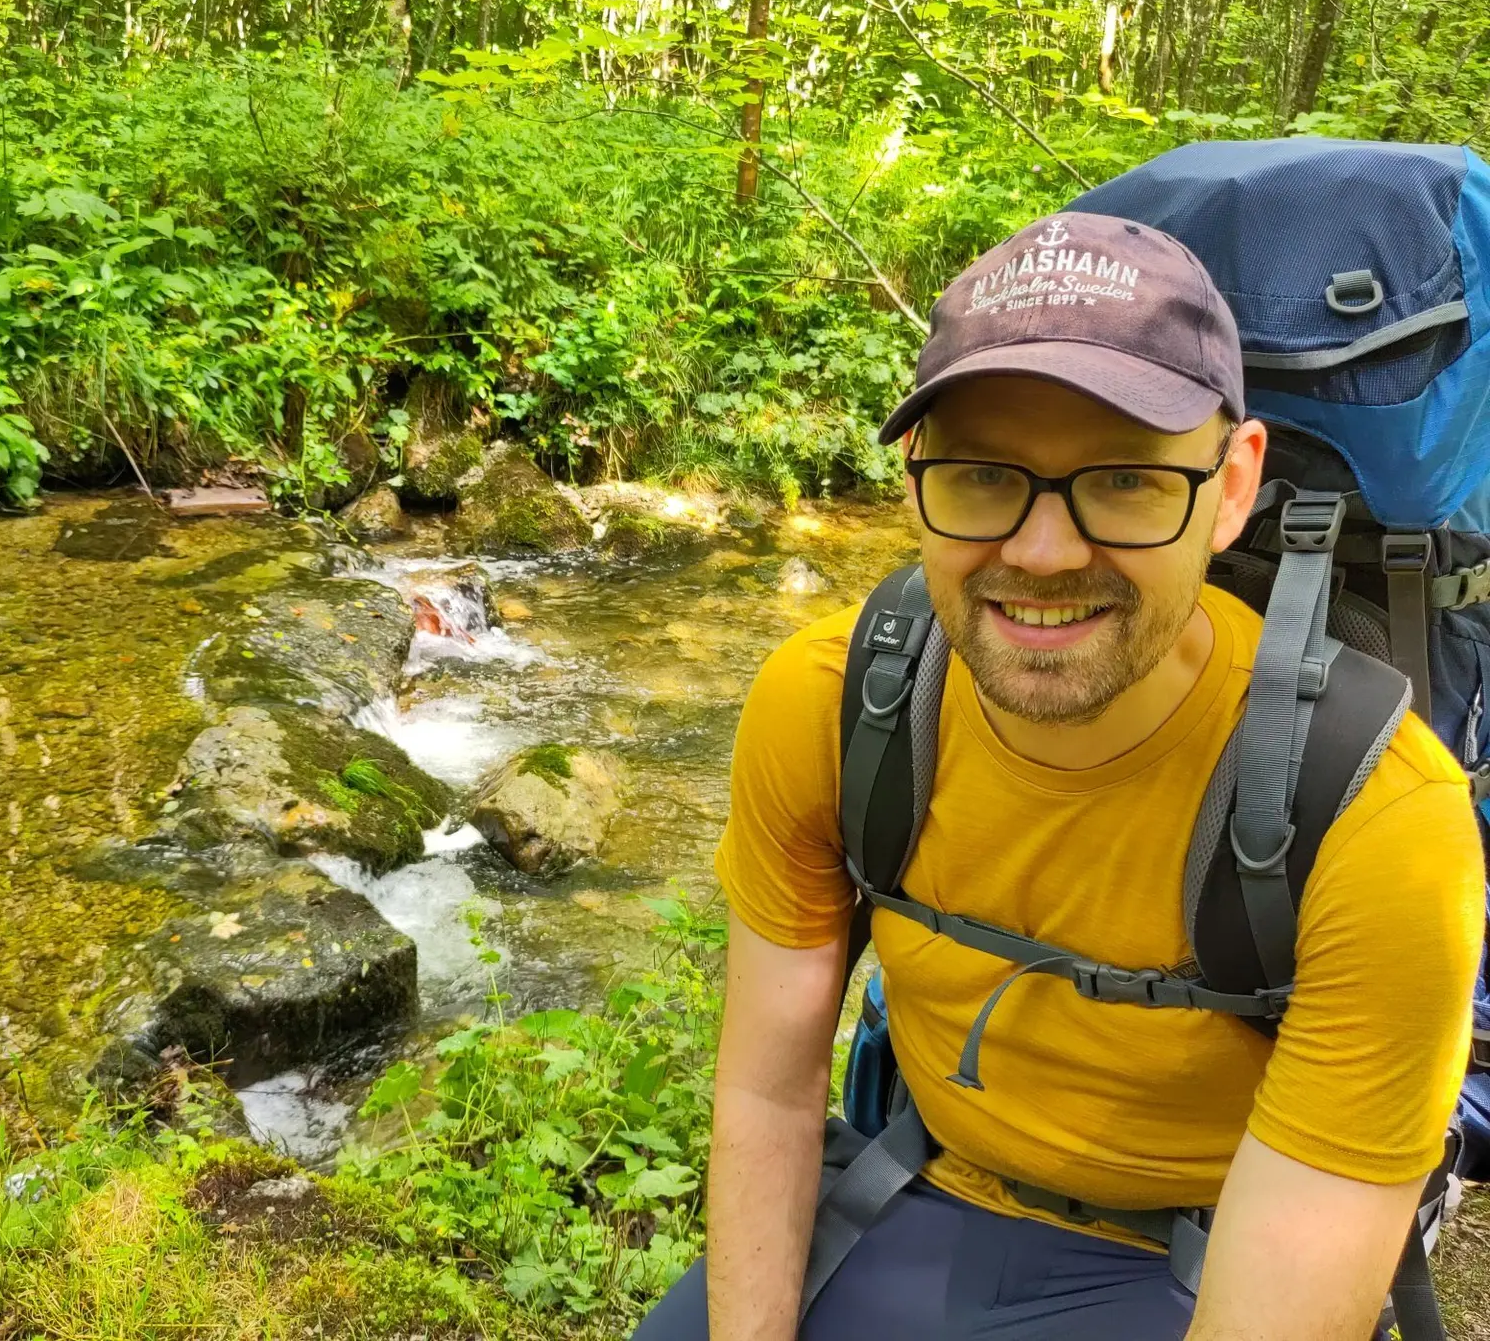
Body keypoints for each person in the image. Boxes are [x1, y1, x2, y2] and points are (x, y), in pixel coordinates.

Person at [633, 213, 1486, 1341]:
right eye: (985, 476)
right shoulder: (833, 704)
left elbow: (1282, 1292)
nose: (1041, 553)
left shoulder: (1379, 825)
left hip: (1203, 1252)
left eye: (1125, 480)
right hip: (915, 1186)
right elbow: (768, 1093)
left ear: (1233, 488)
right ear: (915, 478)